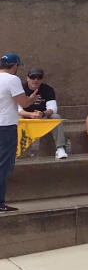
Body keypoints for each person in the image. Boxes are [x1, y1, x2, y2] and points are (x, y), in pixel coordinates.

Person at [0, 53, 39, 212]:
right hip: (6, 126)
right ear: (15, 66)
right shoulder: (12, 80)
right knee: (3, 165)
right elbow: (23, 103)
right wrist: (32, 98)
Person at [17, 67, 69, 159]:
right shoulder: (20, 89)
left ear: (42, 79)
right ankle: (16, 150)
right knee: (15, 118)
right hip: (26, 117)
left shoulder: (47, 89)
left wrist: (42, 114)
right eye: (33, 77)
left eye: (39, 77)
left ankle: (60, 148)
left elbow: (53, 108)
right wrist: (31, 115)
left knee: (56, 117)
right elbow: (18, 109)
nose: (36, 80)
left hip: (42, 117)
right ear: (27, 78)